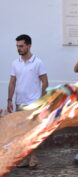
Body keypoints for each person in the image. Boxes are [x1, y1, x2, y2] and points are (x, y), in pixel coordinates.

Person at [8, 34, 48, 169]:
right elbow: (12, 82)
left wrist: (42, 100)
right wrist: (9, 99)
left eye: (21, 46)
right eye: (17, 46)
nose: (18, 49)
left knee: (31, 132)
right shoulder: (15, 63)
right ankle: (27, 158)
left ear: (29, 46)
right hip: (20, 103)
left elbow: (45, 81)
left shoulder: (38, 62)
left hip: (33, 103)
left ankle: (33, 158)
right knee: (22, 133)